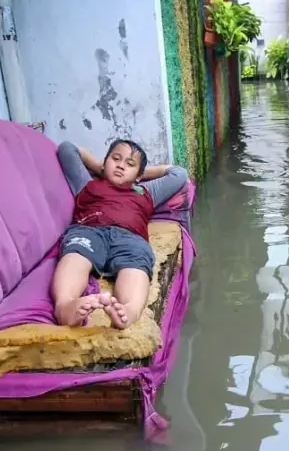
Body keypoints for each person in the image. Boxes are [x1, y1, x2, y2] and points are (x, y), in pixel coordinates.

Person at [52, 140, 188, 329]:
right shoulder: (87, 184)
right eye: (115, 159)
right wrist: (99, 167)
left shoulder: (146, 192)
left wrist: (138, 176)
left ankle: (128, 311)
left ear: (139, 175)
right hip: (89, 230)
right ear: (105, 162)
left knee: (137, 264)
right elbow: (67, 149)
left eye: (129, 164)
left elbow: (179, 174)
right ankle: (65, 305)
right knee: (75, 255)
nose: (121, 165)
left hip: (130, 238)